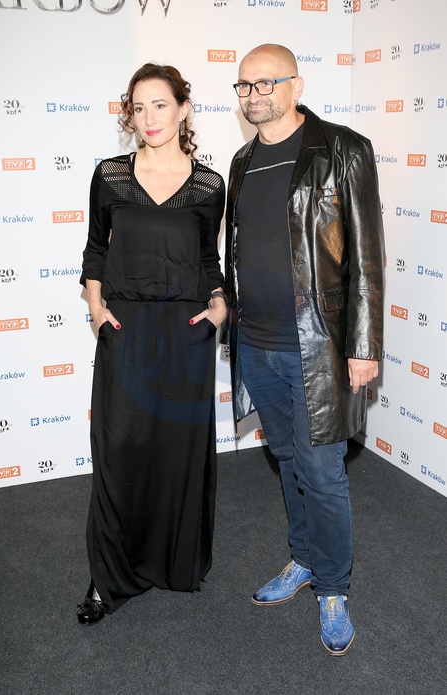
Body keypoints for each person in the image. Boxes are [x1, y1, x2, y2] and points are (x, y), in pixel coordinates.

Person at [223, 44, 385, 655]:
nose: (254, 94)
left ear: (296, 84)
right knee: (288, 461)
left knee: (322, 473)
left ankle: (334, 588)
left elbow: (366, 256)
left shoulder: (343, 149)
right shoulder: (242, 161)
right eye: (245, 85)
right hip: (257, 343)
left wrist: (363, 346)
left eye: (267, 82)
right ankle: (304, 559)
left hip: (318, 347)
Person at [77, 63, 227, 625]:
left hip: (186, 333)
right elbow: (96, 248)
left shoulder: (209, 185)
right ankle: (108, 576)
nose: (148, 118)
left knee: (176, 453)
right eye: (138, 108)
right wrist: (96, 309)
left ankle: (173, 562)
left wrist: (220, 302)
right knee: (119, 451)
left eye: (159, 105)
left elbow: (208, 259)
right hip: (128, 328)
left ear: (183, 109)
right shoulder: (111, 176)